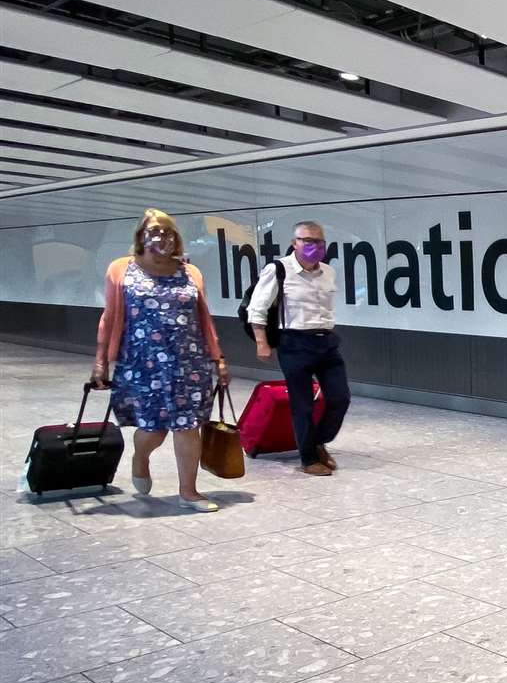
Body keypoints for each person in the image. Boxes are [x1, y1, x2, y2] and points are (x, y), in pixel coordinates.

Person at [90, 209, 230, 512]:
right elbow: (109, 317)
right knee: (154, 429)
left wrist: (218, 359)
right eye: (154, 230)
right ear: (141, 236)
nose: (162, 237)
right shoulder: (121, 269)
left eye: (168, 232)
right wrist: (101, 360)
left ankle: (188, 492)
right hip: (142, 363)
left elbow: (204, 318)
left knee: (188, 426)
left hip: (189, 362)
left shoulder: (190, 272)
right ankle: (141, 458)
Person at [246, 220, 350, 476]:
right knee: (302, 404)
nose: (314, 246)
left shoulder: (328, 271)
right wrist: (262, 342)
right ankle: (308, 459)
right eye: (307, 241)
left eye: (319, 241)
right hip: (294, 342)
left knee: (340, 398)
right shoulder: (278, 269)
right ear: (295, 243)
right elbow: (257, 308)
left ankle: (317, 440)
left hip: (326, 340)